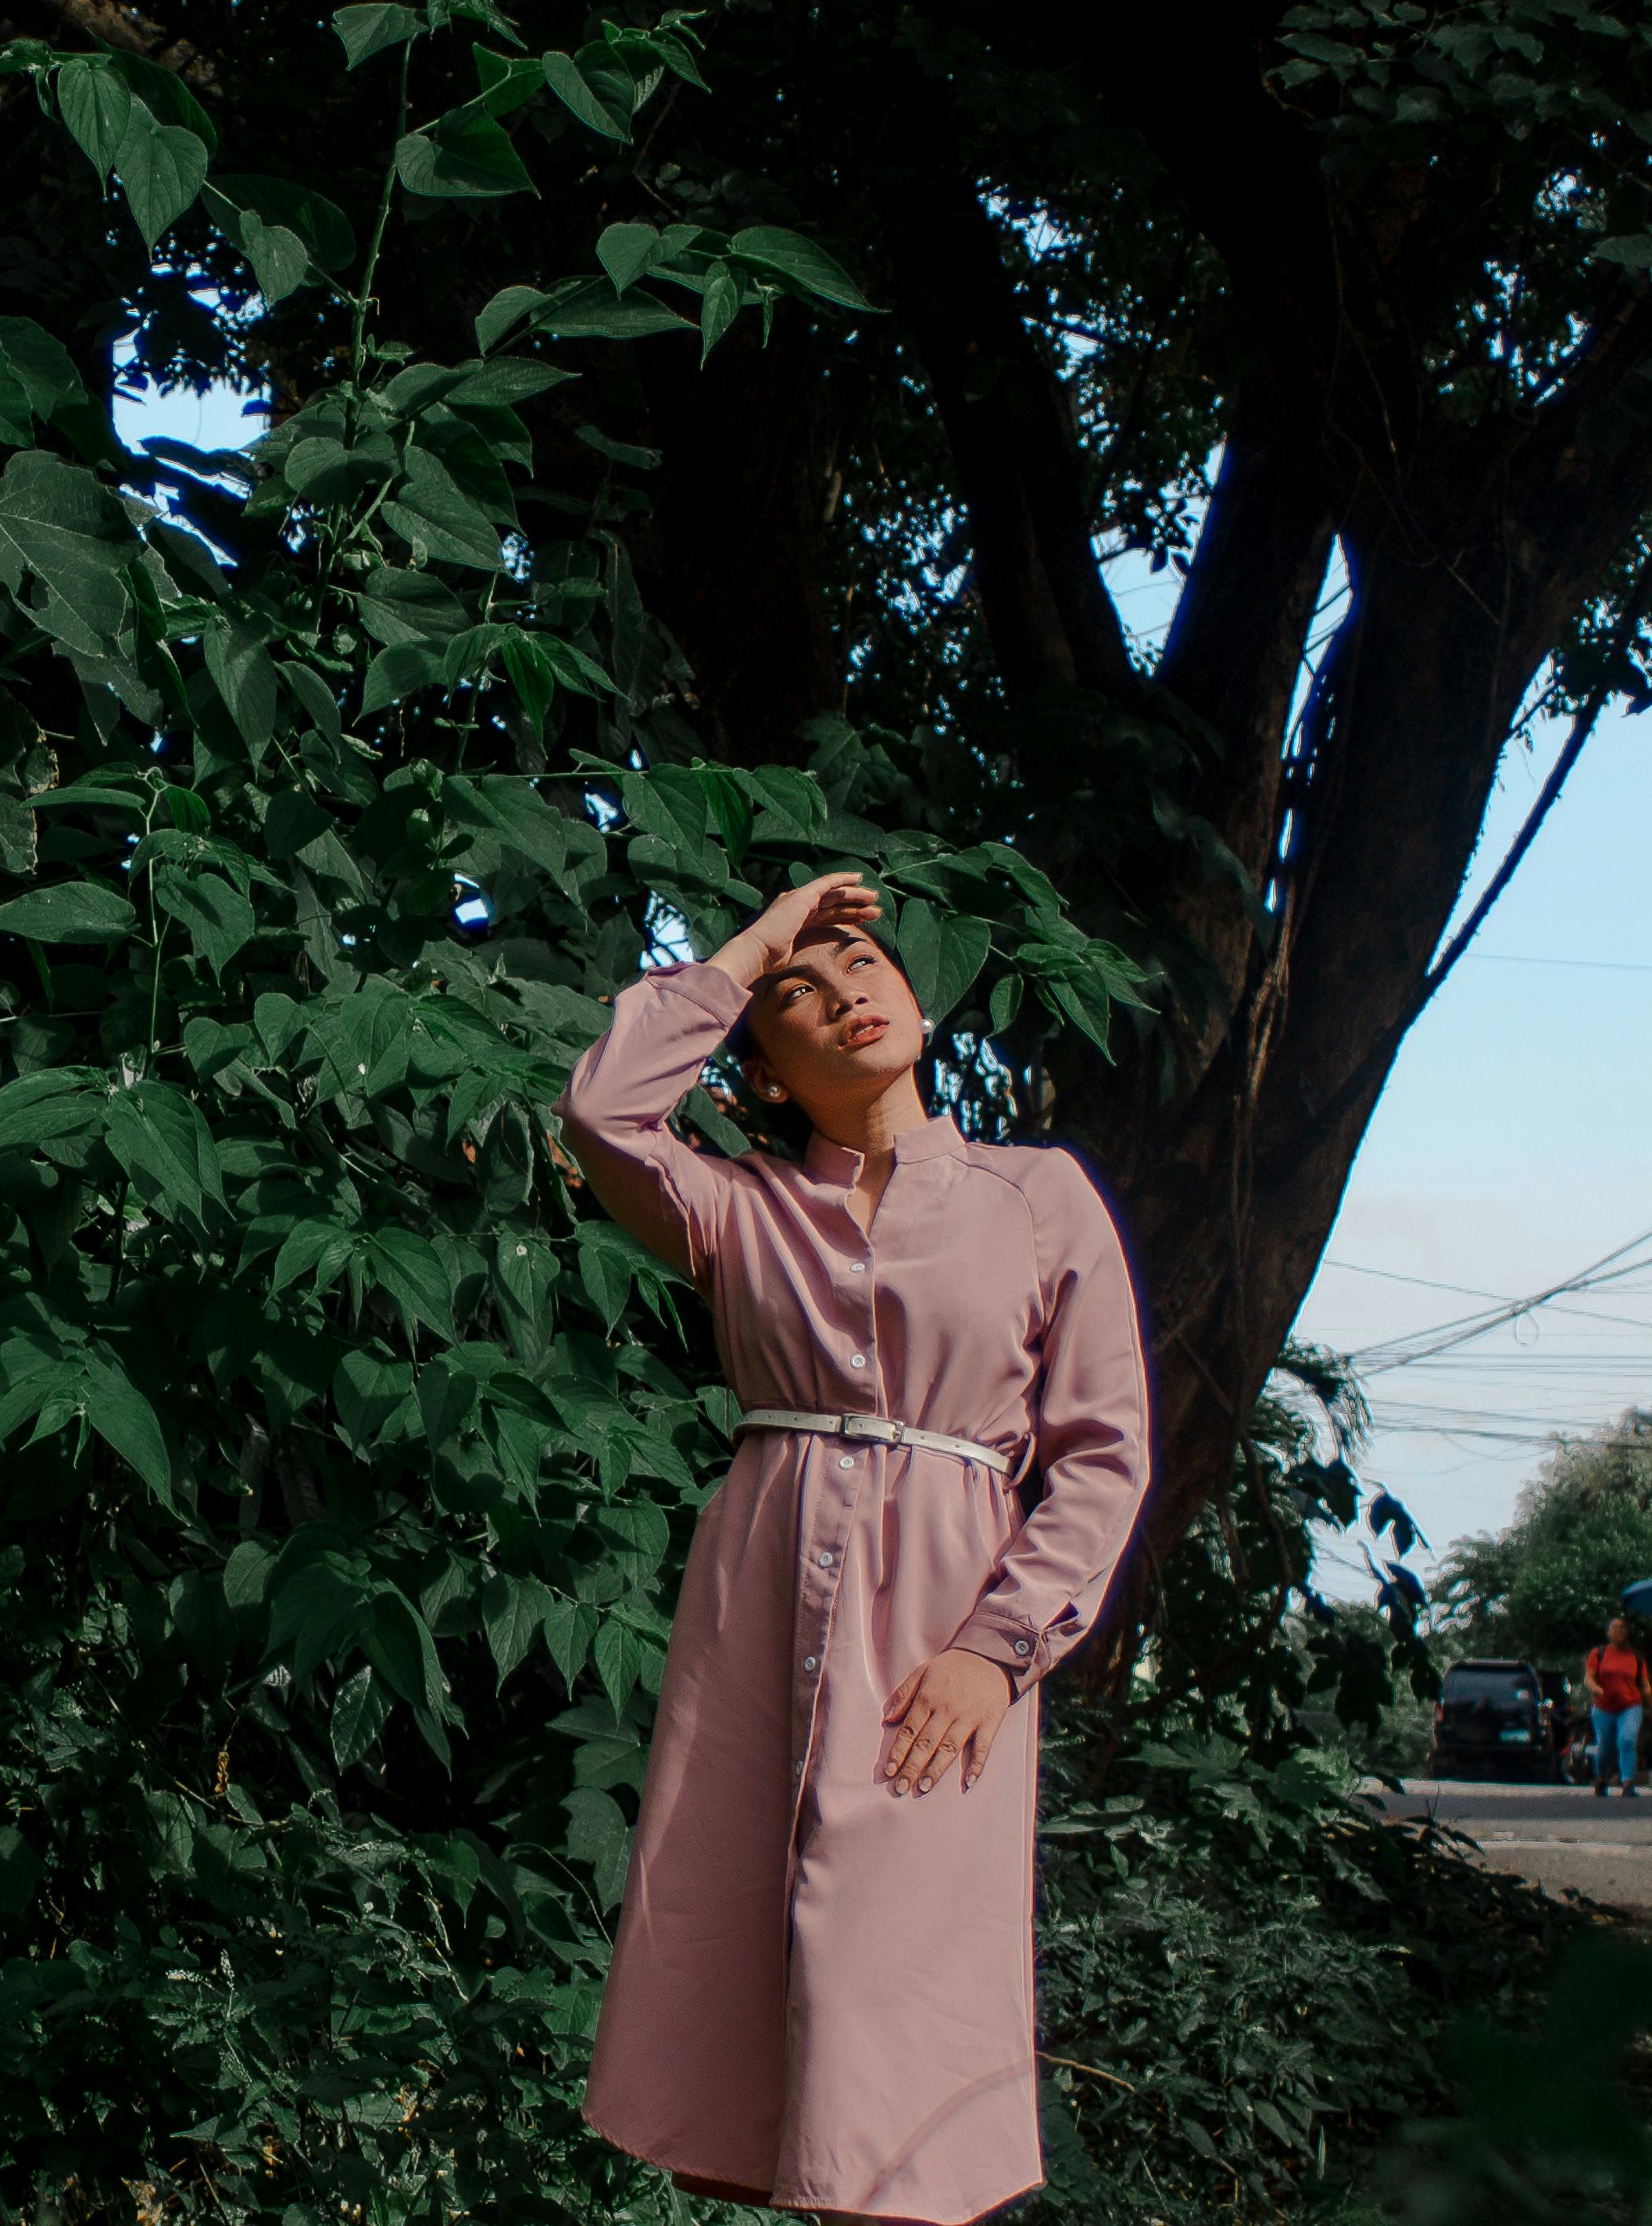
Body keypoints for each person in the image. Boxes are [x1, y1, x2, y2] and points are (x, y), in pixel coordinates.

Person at [559, 872, 1152, 2226]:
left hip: (941, 1626)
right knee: (753, 1958)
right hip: (761, 1613)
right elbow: (600, 1110)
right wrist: (757, 940)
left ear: (919, 998)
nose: (846, 993)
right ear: (761, 1068)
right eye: (801, 994)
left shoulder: (1037, 1195)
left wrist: (998, 1654)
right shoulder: (735, 1210)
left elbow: (1104, 1452)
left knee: (895, 1987)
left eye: (864, 966)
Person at [1584, 1614, 1644, 1797]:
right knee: (1605, 1747)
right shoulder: (1599, 1653)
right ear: (1608, 1632)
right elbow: (1589, 1677)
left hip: (1630, 1706)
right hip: (1604, 1708)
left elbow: (1645, 1685)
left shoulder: (1636, 1657)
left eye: (1623, 1628)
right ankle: (1601, 1777)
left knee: (1627, 1740)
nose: (1620, 1631)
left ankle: (1627, 1782)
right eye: (1615, 1627)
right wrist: (1595, 1688)